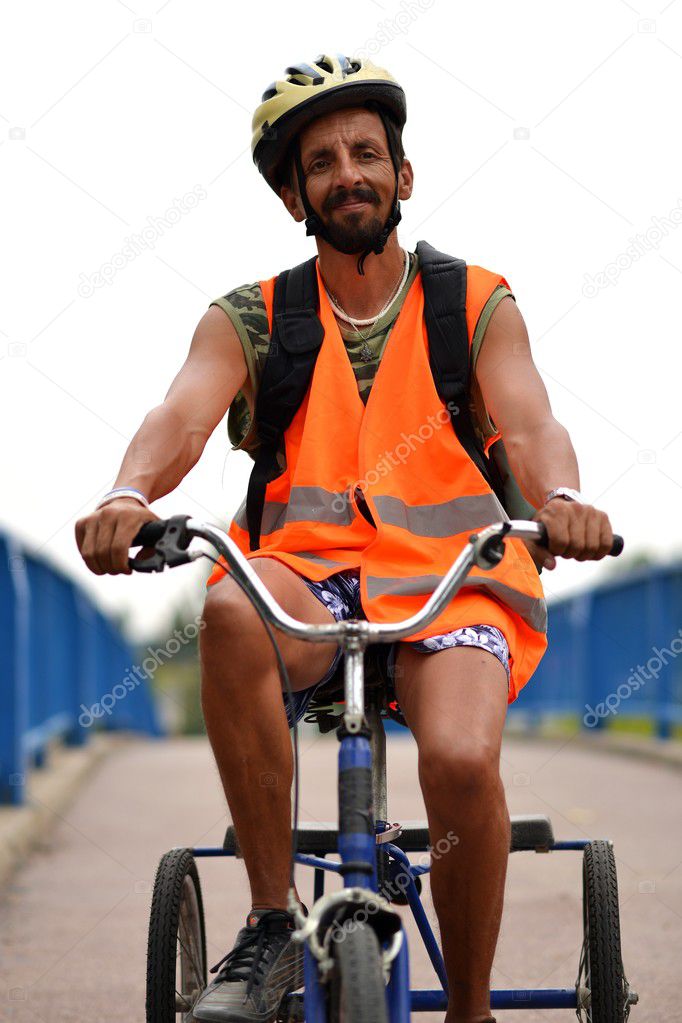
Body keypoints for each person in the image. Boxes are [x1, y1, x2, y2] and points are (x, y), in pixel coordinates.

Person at [75, 54, 614, 1023]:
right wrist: (127, 492)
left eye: (365, 153)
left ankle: (471, 1009)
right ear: (295, 198)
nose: (347, 174)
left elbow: (532, 425)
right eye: (319, 163)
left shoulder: (472, 303)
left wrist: (564, 497)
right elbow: (180, 417)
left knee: (460, 762)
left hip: (454, 582)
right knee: (228, 611)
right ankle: (270, 926)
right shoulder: (251, 318)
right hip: (305, 582)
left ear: (402, 175)